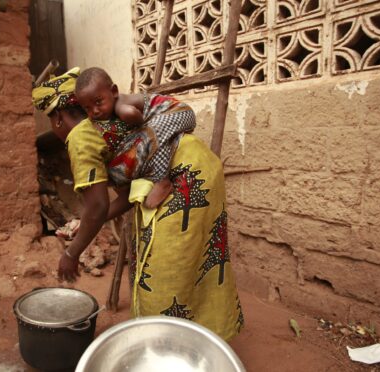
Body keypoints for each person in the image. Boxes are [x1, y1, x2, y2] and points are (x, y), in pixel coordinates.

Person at [32, 67, 243, 342]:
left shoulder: (81, 138)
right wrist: (84, 223)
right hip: (201, 168)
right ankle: (197, 341)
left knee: (164, 272)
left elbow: (97, 208)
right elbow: (125, 196)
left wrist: (71, 254)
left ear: (58, 118)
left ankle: (169, 347)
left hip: (186, 179)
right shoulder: (105, 123)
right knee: (192, 265)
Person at [75, 67, 196, 209]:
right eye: (87, 108)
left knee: (148, 134)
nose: (94, 111)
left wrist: (135, 125)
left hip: (179, 112)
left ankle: (162, 180)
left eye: (98, 102)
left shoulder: (120, 104)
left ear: (114, 92)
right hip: (166, 123)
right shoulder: (104, 117)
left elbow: (132, 114)